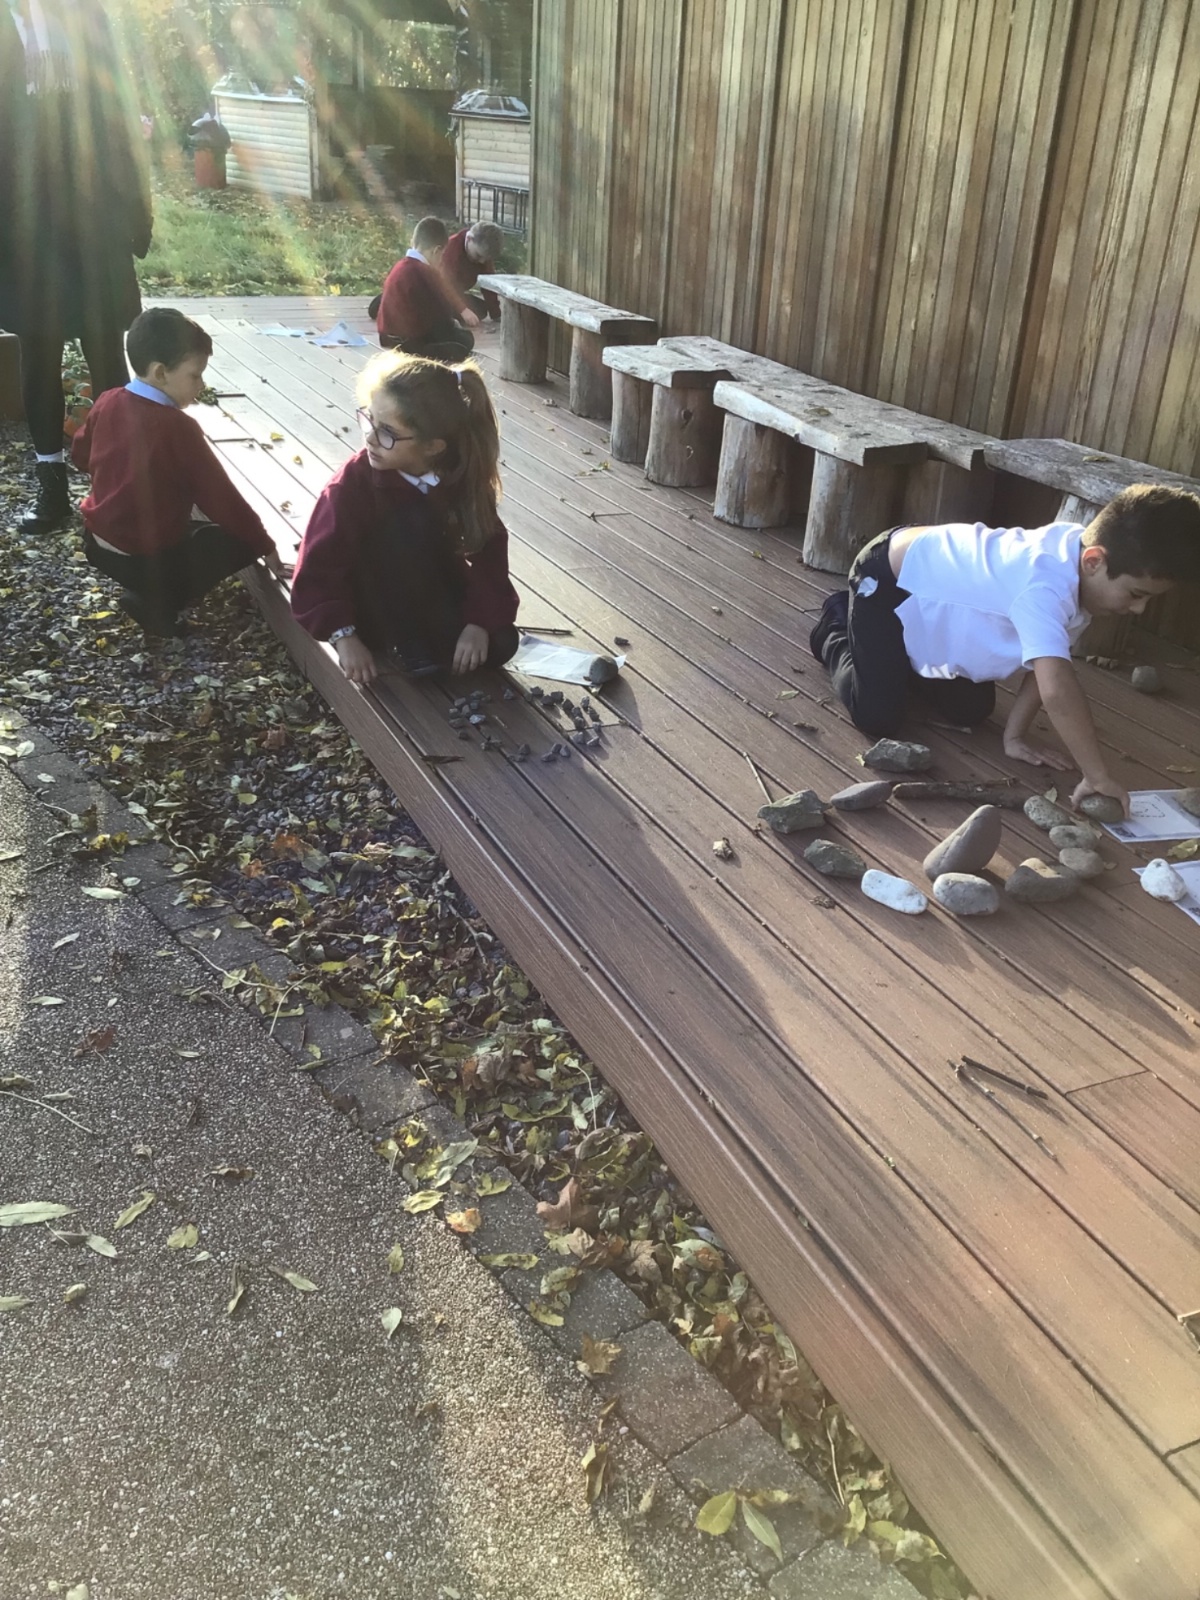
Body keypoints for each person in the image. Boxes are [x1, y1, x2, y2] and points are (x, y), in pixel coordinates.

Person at [809, 486, 1200, 817]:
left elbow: (1047, 668)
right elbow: (1057, 689)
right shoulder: (1042, 585)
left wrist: (1014, 738)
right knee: (878, 715)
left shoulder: (1081, 564)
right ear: (1094, 561)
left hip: (936, 599)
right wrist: (1097, 775)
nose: (1138, 609)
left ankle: (892, 653)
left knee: (971, 709)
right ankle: (837, 623)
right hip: (888, 577)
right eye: (1136, 594)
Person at [0, 0, 153, 535]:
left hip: (94, 222)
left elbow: (119, 110)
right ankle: (51, 487)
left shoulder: (87, 17)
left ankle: (116, 483)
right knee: (38, 354)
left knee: (107, 352)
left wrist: (136, 211)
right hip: (23, 227)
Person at [290, 348, 519, 685]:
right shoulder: (353, 483)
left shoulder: (460, 474)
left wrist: (478, 623)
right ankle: (406, 644)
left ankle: (425, 645)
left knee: (502, 643)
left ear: (433, 447)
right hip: (372, 603)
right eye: (369, 419)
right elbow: (318, 566)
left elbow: (489, 551)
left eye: (387, 432)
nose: (370, 438)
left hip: (428, 594)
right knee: (410, 520)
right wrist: (343, 637)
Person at [71, 308, 285, 637]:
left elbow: (80, 455)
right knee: (236, 540)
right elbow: (222, 499)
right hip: (143, 557)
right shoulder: (178, 427)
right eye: (195, 375)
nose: (201, 384)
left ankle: (146, 589)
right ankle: (159, 603)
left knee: (192, 518)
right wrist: (265, 545)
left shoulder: (108, 400)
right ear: (160, 372)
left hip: (97, 542)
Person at [373, 216, 480, 363]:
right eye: (442, 254)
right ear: (436, 251)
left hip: (387, 336)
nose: (441, 259)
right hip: (409, 341)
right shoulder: (424, 272)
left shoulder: (400, 265)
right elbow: (441, 316)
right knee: (464, 340)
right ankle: (423, 352)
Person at [440, 222, 504, 322]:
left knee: (481, 309)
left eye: (486, 259)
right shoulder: (451, 250)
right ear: (469, 239)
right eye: (478, 255)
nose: (482, 261)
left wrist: (496, 314)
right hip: (438, 294)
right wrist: (463, 310)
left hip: (457, 294)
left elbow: (488, 284)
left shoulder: (483, 255)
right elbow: (445, 286)